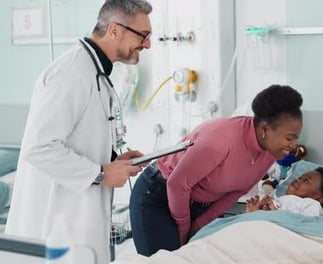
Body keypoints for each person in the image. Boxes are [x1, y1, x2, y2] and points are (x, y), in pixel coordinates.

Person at [5, 1, 152, 263]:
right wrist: (100, 173)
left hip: (77, 226)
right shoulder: (71, 73)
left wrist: (112, 161)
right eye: (143, 36)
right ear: (115, 30)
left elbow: (78, 141)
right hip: (53, 227)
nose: (147, 44)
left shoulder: (94, 72)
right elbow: (38, 147)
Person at [129, 84, 304, 255]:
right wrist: (184, 230)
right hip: (159, 195)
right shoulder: (220, 140)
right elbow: (177, 184)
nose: (293, 146)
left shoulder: (269, 152)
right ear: (265, 128)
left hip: (195, 205)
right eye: (289, 138)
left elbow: (237, 192)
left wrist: (198, 225)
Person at [246, 167, 323, 217]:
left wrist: (274, 214)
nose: (297, 180)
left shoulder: (311, 205)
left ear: (319, 197)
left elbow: (304, 226)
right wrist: (255, 212)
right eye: (300, 177)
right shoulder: (278, 199)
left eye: (306, 181)